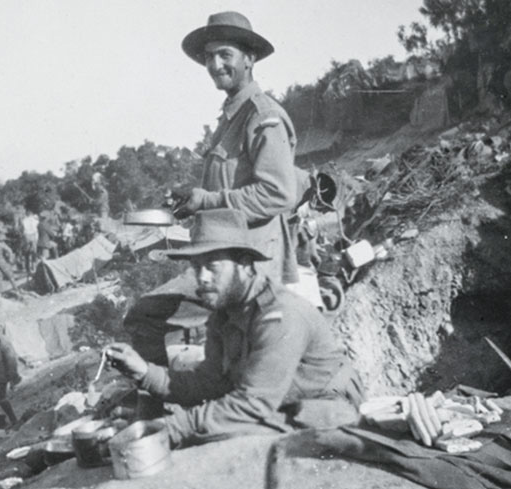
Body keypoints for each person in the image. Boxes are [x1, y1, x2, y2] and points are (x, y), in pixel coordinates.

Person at [123, 11, 309, 365]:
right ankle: (167, 406)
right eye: (209, 56)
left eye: (226, 55)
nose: (215, 64)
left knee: (146, 317)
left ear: (249, 59)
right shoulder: (231, 118)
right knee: (217, 356)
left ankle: (156, 409)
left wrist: (207, 200)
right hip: (221, 259)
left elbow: (278, 192)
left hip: (250, 266)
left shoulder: (262, 115)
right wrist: (193, 200)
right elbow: (230, 187)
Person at [106, 209, 363, 448]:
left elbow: (252, 404)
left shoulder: (281, 315)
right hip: (274, 403)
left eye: (212, 266)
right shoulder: (224, 314)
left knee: (220, 439)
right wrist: (143, 372)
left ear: (244, 264)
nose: (202, 277)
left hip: (323, 405)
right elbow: (208, 384)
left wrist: (171, 428)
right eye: (196, 267)